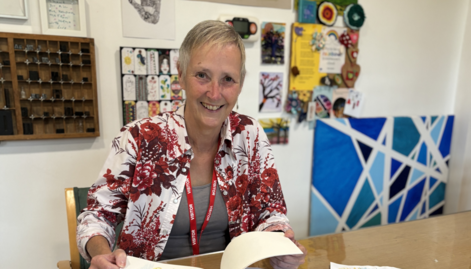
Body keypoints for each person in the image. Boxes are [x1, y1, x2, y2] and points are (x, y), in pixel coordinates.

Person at [77, 20, 307, 269]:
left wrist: (279, 242)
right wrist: (101, 254)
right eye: (202, 75)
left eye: (228, 79)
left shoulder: (250, 135)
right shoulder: (139, 137)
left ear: (240, 84)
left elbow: (270, 213)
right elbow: (97, 215)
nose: (214, 93)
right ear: (181, 74)